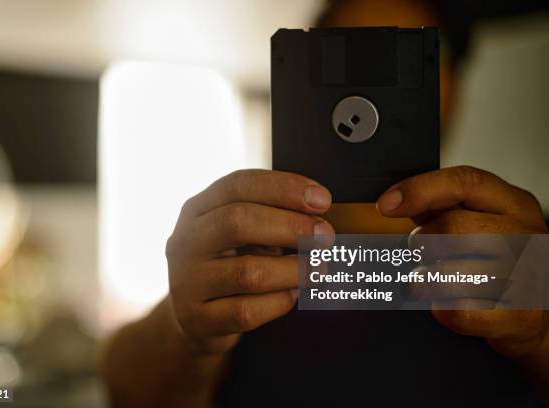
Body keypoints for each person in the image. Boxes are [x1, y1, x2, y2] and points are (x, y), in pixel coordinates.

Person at [100, 0, 549, 406]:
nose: (372, 88)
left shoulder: (524, 243)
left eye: (399, 60)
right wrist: (186, 331)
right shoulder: (252, 242)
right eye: (352, 54)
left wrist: (542, 336)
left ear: (451, 88)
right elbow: (125, 390)